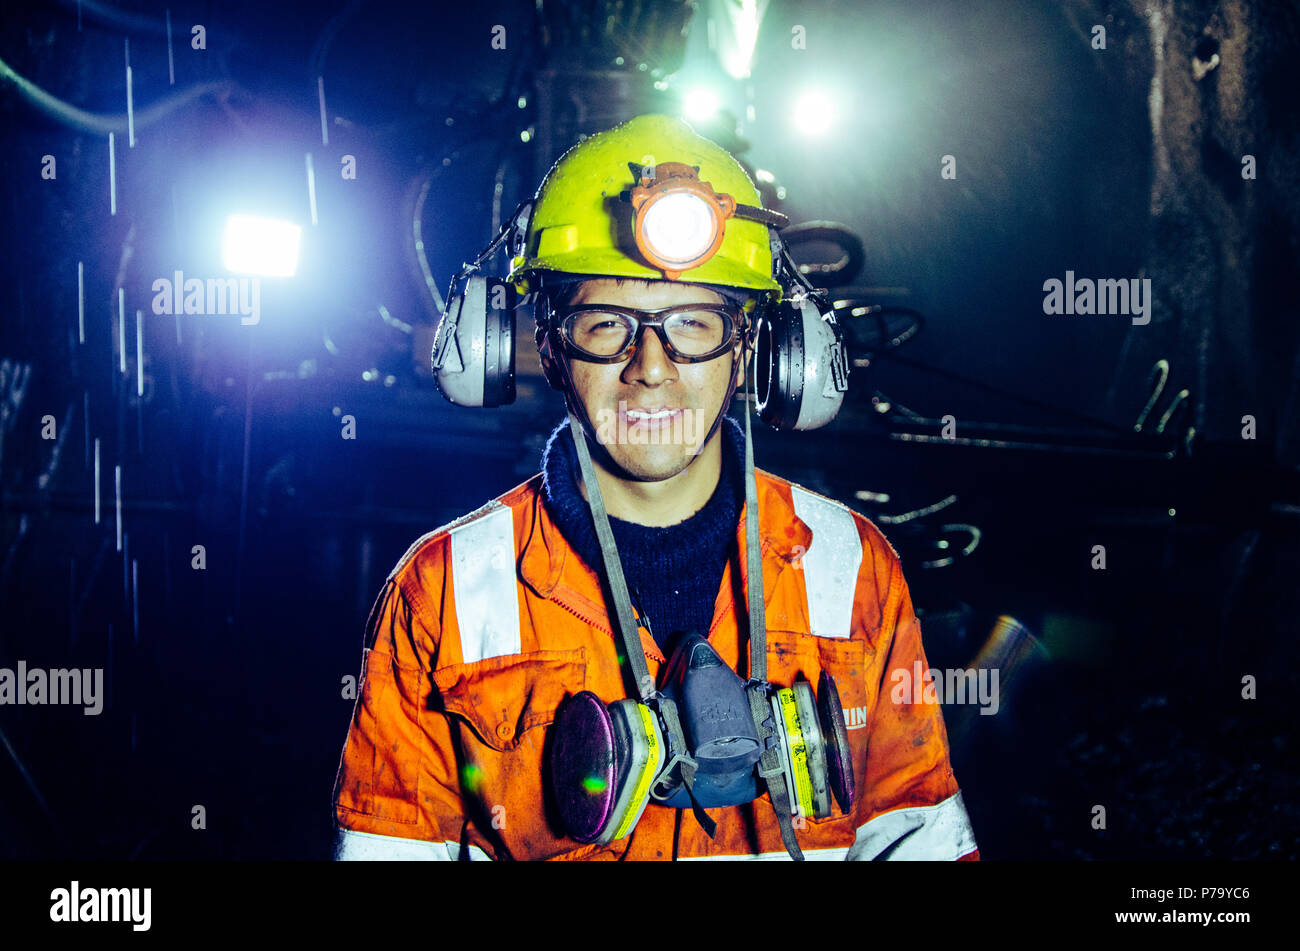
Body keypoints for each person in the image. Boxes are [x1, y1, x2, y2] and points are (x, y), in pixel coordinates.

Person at [331, 114, 979, 861]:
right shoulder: (443, 589)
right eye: (606, 324)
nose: (651, 366)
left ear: (758, 352)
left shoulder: (852, 567)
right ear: (544, 345)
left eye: (695, 323)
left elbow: (916, 835)